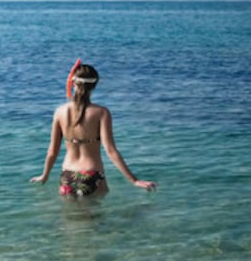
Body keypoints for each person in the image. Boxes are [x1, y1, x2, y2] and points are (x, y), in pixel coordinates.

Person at [30, 61, 156, 197]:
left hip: (67, 176)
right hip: (92, 174)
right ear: (94, 86)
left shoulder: (60, 112)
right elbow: (111, 151)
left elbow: (52, 152)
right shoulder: (101, 113)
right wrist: (134, 180)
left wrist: (44, 175)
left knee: (70, 218)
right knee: (96, 217)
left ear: (73, 83)